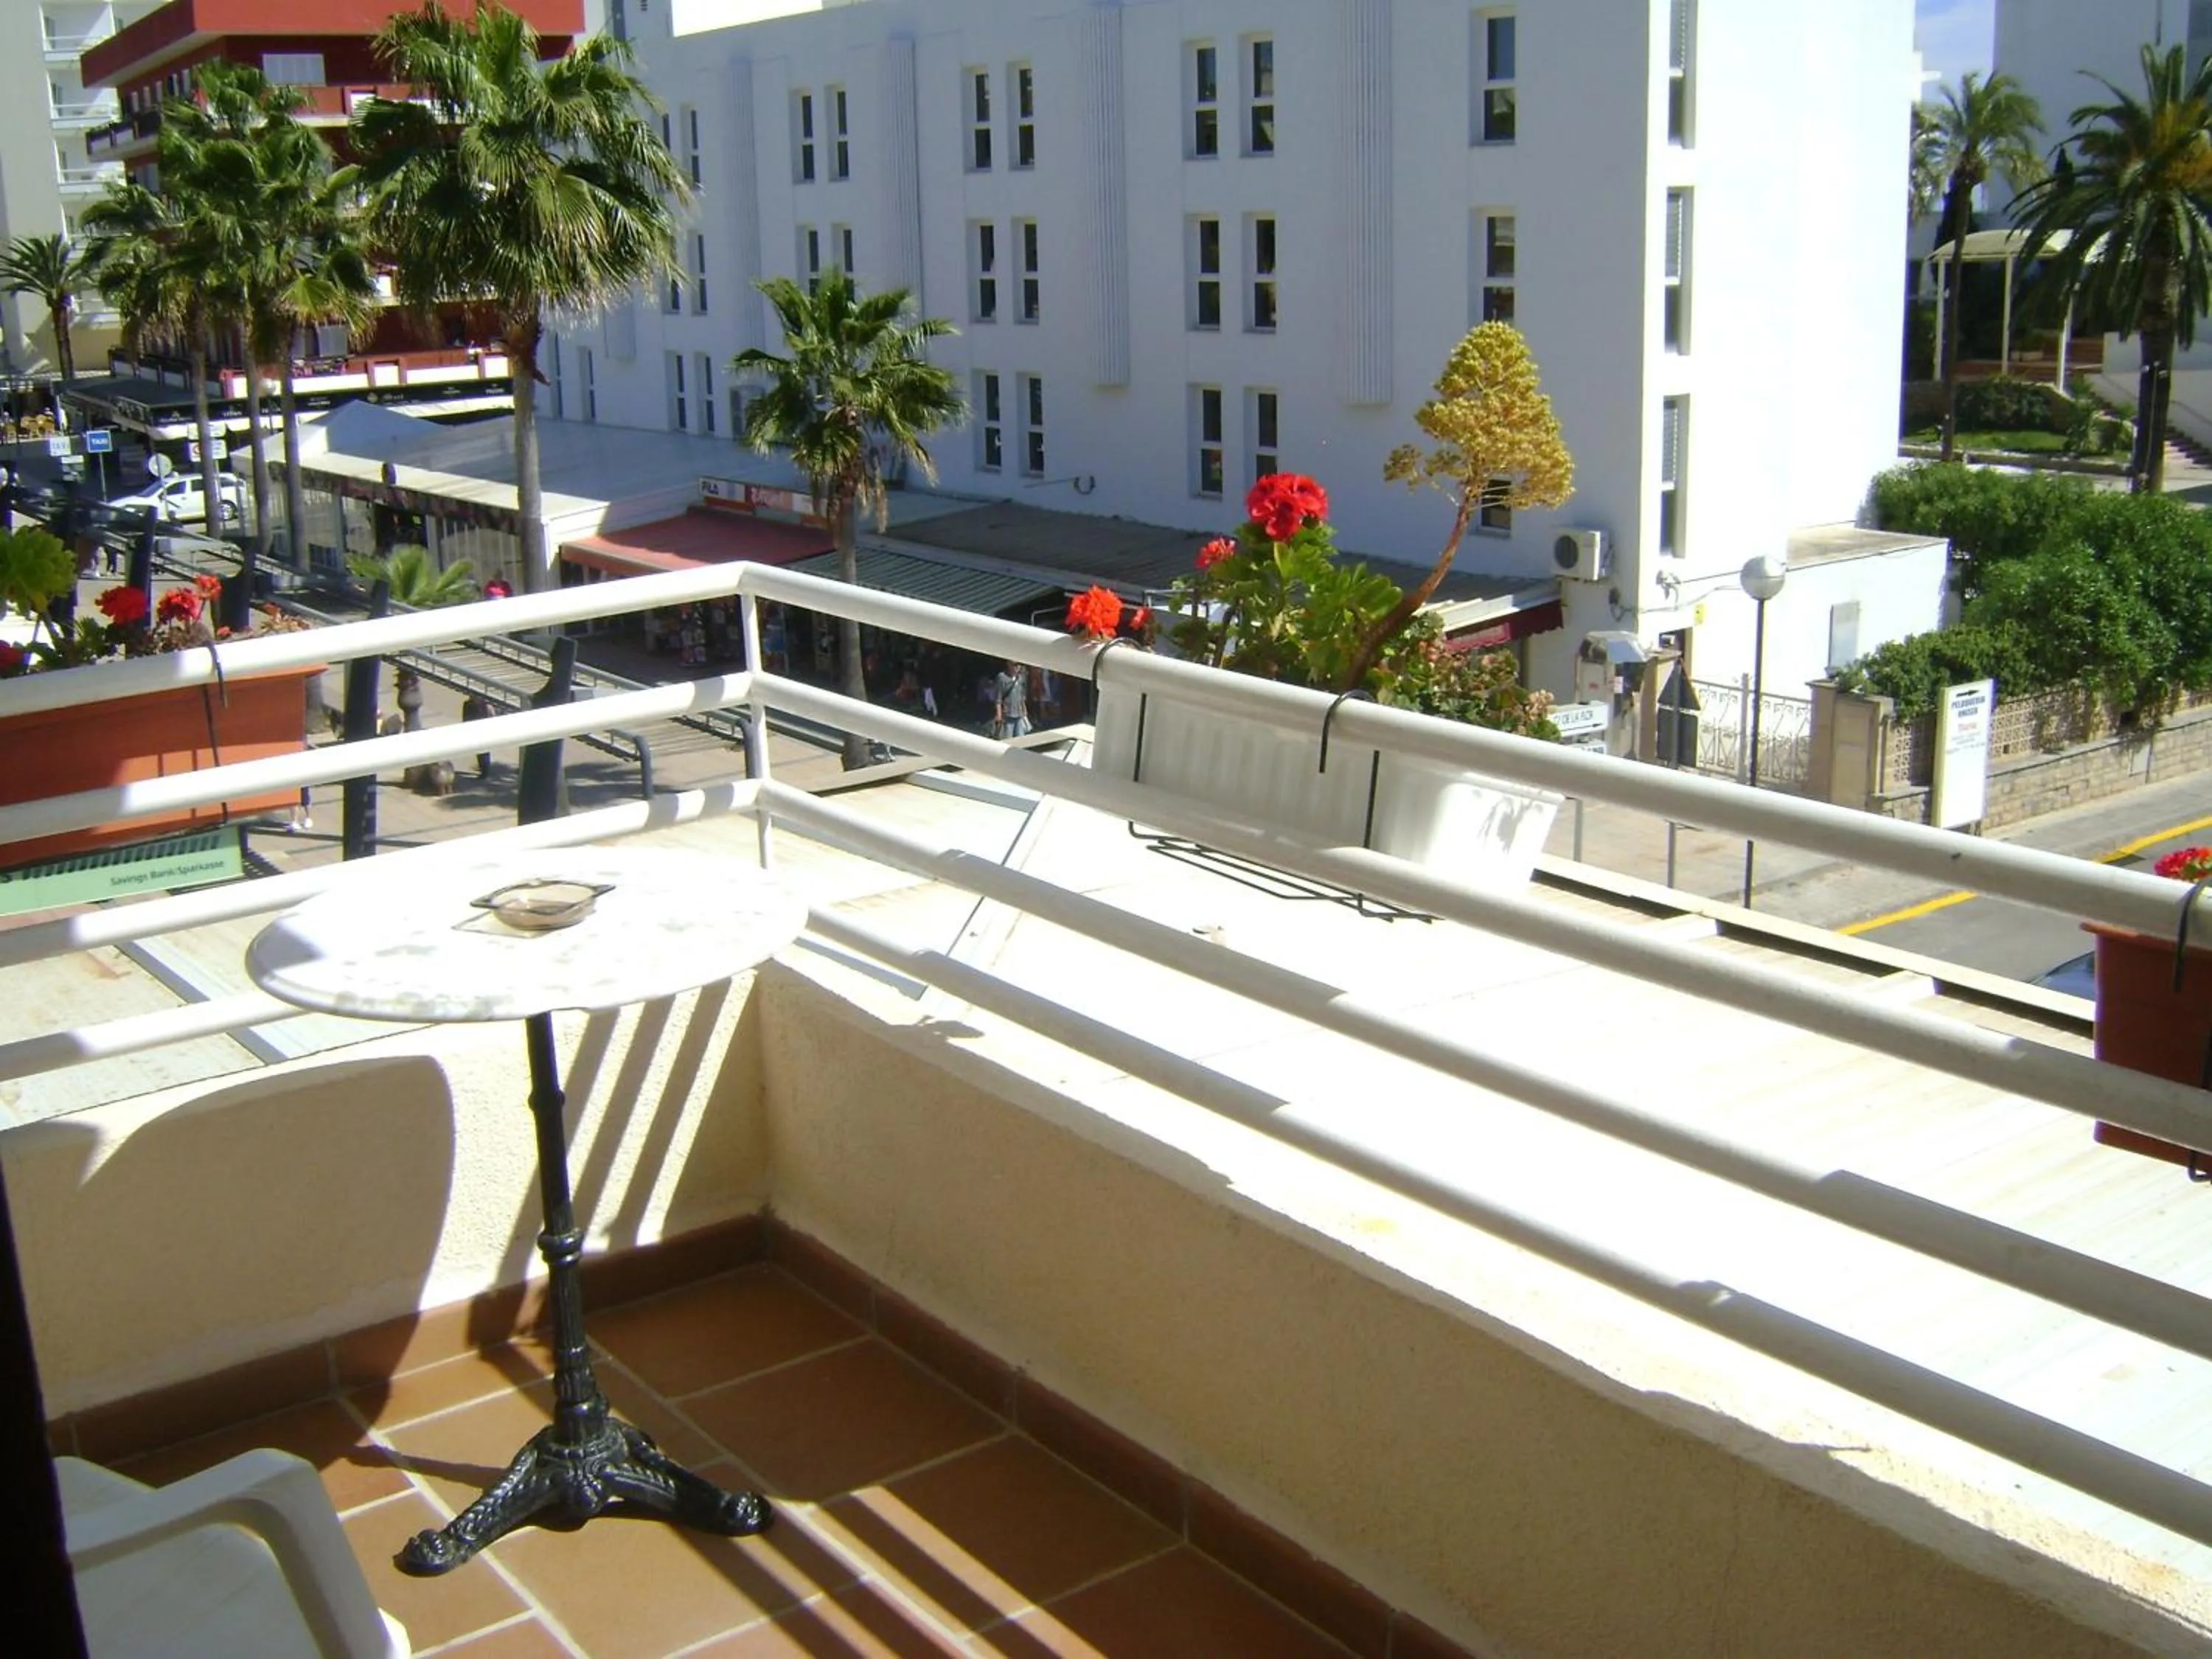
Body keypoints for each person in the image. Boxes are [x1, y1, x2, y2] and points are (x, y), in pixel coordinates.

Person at [462, 693, 497, 780]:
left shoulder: (486, 706)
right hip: (474, 730)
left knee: (484, 752)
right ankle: (483, 768)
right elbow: (465, 718)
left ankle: (485, 771)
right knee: (479, 751)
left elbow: (492, 717)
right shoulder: (468, 704)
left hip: (483, 731)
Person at [992, 659, 1031, 739]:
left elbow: (1021, 695)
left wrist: (1024, 709)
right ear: (1008, 664)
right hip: (1007, 715)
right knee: (1008, 739)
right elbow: (998, 698)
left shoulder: (1021, 677)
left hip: (1019, 714)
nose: (1017, 667)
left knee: (1021, 739)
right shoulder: (1002, 677)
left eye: (1019, 665)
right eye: (1015, 665)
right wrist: (999, 715)